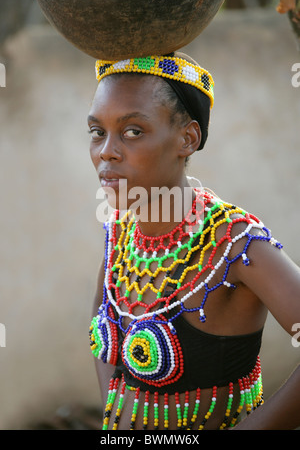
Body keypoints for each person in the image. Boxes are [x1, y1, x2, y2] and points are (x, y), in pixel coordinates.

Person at [87, 52, 300, 430]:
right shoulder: (120, 231)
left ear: (188, 138)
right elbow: (103, 315)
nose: (107, 151)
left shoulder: (235, 245)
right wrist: (116, 414)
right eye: (98, 132)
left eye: (132, 131)